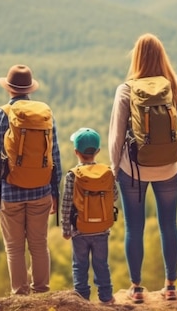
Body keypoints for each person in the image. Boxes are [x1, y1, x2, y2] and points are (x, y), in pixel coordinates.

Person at [108, 33, 177, 303]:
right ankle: (170, 286)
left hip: (133, 169)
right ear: (162, 56)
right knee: (169, 225)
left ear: (137, 57)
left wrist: (113, 168)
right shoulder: (175, 85)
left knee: (135, 228)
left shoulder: (126, 89)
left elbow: (116, 135)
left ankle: (136, 288)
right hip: (169, 168)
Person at [0, 64, 62, 295]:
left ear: (9, 89)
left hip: (9, 193)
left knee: (14, 248)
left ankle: (20, 297)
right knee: (39, 244)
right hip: (41, 192)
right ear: (29, 90)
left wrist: (7, 167)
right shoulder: (45, 116)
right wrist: (55, 192)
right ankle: (42, 292)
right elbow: (54, 157)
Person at [61, 128, 118, 305]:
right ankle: (106, 297)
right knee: (102, 264)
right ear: (98, 152)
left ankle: (82, 299)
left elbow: (66, 204)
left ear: (76, 152)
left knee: (80, 264)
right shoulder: (107, 172)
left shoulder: (72, 175)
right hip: (101, 228)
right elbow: (114, 196)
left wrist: (65, 228)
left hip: (79, 229)